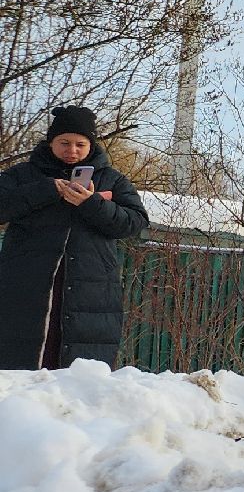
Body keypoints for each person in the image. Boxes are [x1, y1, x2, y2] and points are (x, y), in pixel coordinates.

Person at [0, 106, 150, 369]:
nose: (72, 150)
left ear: (91, 146)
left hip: (91, 290)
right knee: (20, 370)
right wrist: (44, 191)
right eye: (64, 143)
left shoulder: (111, 180)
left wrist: (92, 204)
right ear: (51, 143)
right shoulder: (22, 175)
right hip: (25, 284)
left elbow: (136, 223)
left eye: (80, 144)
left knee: (79, 381)